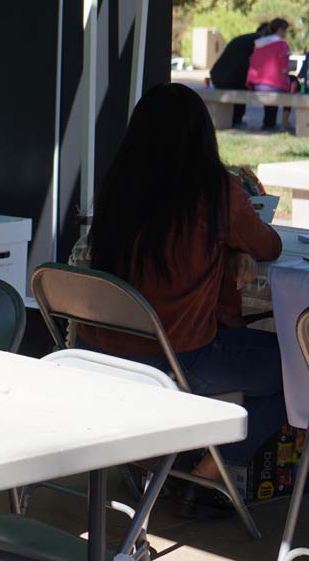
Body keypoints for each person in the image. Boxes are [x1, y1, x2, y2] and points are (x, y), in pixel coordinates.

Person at [75, 82, 283, 519]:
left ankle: (173, 466)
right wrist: (237, 244)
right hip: (176, 358)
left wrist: (230, 248)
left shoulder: (117, 188)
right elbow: (269, 246)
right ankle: (208, 475)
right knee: (299, 371)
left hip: (98, 355)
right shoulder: (216, 192)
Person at [210, 21, 266, 128]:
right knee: (243, 85)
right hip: (231, 78)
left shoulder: (244, 38)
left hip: (217, 75)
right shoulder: (259, 41)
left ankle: (234, 119)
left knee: (241, 83)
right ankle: (238, 120)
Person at [246, 17, 293, 130]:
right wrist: (294, 66)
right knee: (294, 85)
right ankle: (284, 123)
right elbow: (284, 69)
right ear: (280, 30)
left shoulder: (259, 43)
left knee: (272, 85)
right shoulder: (282, 44)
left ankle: (269, 123)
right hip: (274, 84)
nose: (286, 34)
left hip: (257, 84)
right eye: (285, 31)